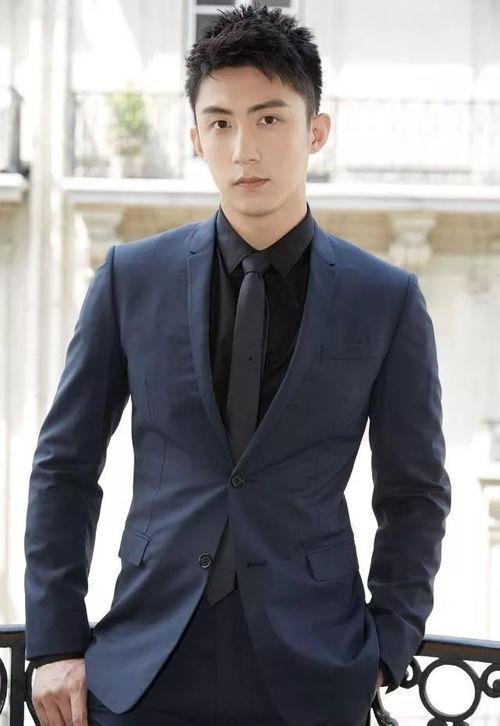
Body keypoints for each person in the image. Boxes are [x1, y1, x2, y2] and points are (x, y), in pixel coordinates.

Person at [24, 2, 451, 725]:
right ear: (196, 138)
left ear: (316, 131)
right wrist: (56, 641)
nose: (244, 150)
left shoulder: (387, 299)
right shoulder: (131, 279)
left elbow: (415, 493)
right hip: (143, 668)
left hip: (314, 674)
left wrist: (388, 643)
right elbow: (65, 466)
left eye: (269, 119)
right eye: (220, 123)